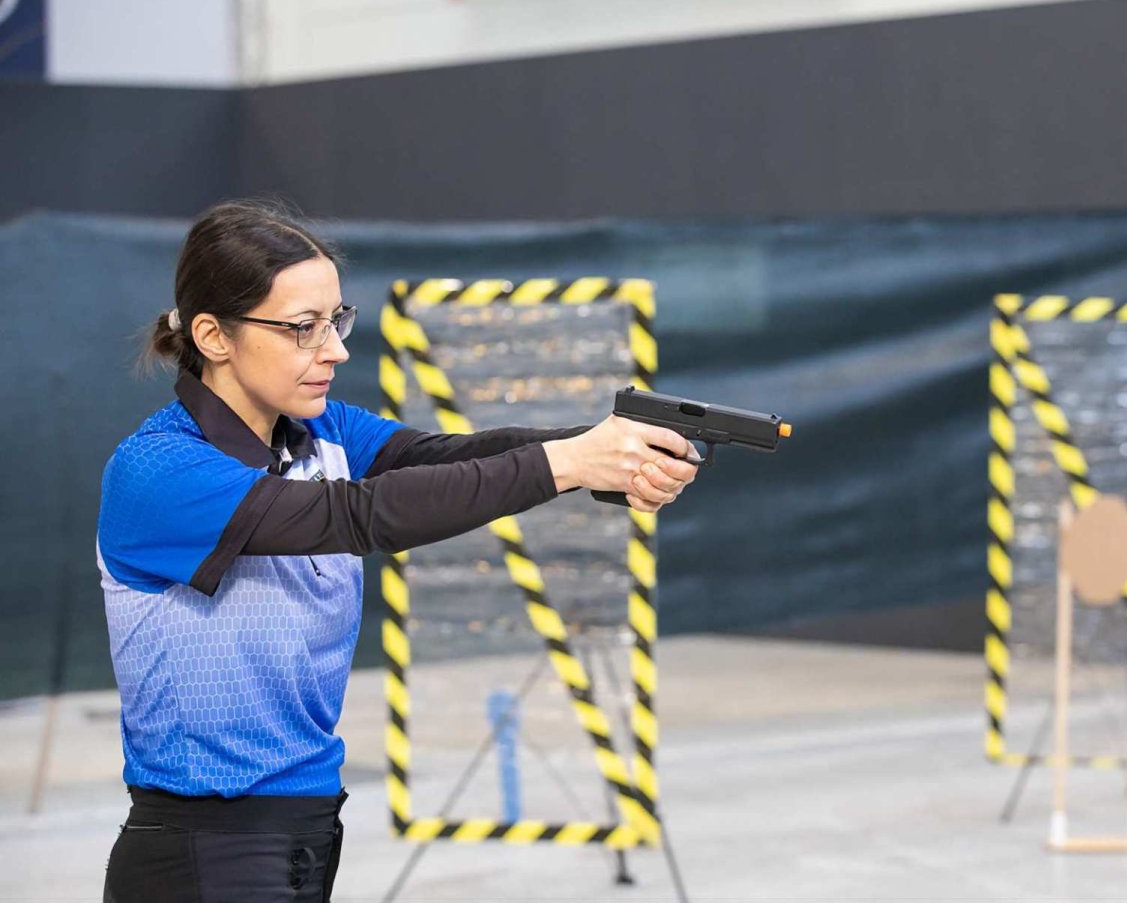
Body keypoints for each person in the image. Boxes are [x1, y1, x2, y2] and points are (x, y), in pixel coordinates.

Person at [97, 200, 698, 902]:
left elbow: (449, 457)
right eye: (302, 328)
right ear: (213, 335)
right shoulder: (158, 470)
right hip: (203, 847)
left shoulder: (321, 431)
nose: (334, 349)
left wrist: (607, 451)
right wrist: (571, 462)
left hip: (305, 831)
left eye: (335, 320)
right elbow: (360, 515)